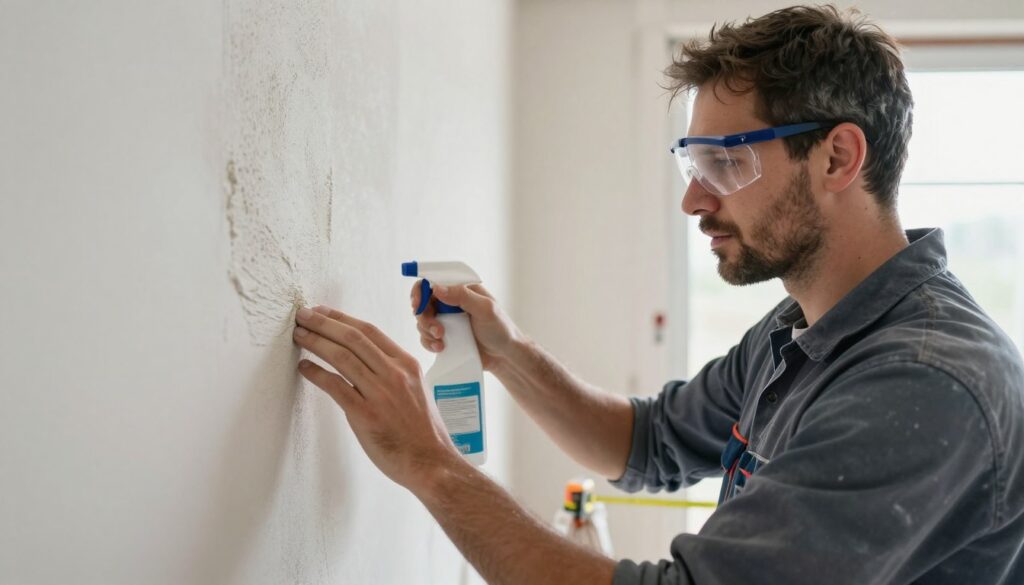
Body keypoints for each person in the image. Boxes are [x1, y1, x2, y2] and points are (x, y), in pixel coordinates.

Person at [291, 5, 1024, 584]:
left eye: (724, 163)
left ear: (837, 157)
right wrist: (507, 353)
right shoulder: (802, 327)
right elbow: (646, 441)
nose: (693, 201)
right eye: (691, 165)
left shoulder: (923, 384)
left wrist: (429, 462)